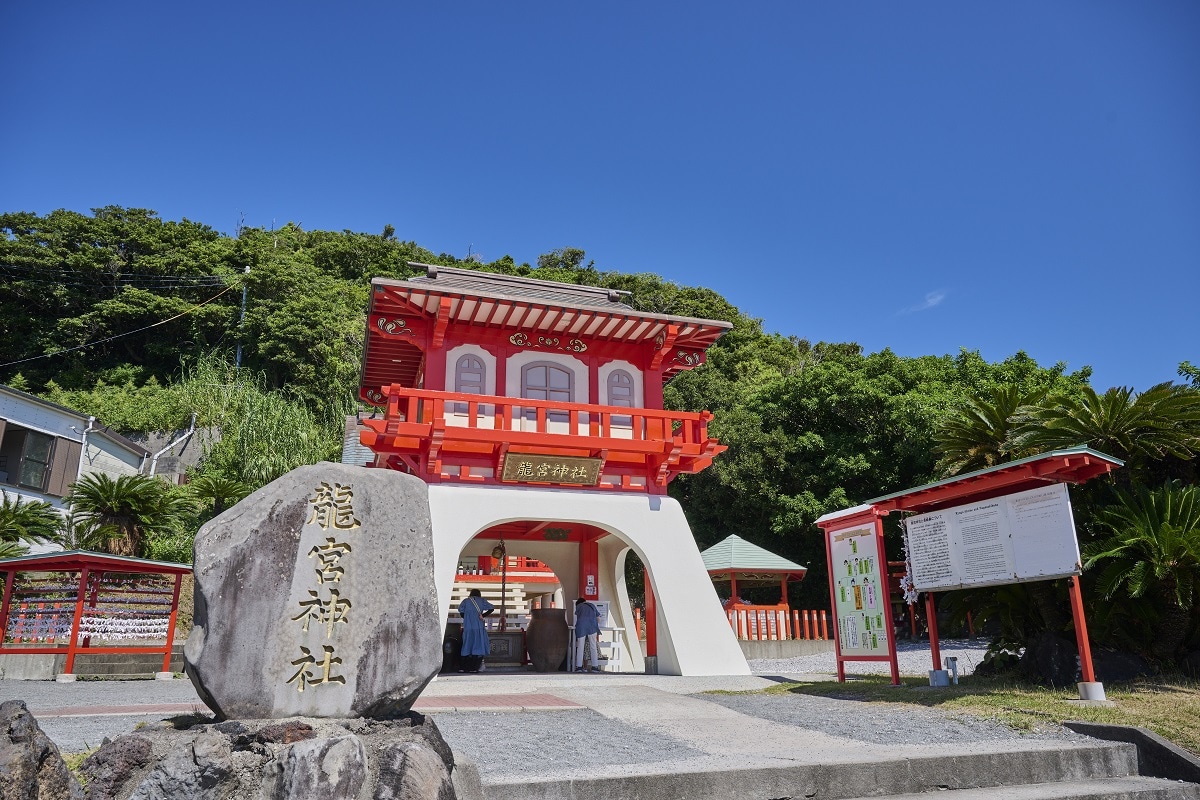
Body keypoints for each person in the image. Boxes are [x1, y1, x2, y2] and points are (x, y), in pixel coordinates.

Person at [458, 589, 494, 672]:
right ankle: (474, 668)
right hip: (478, 627)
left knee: (466, 645)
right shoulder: (482, 601)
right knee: (477, 646)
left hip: (468, 627)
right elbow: (492, 608)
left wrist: (467, 618)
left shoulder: (466, 601)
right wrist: (483, 615)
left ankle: (463, 667)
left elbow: (461, 611)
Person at [574, 597, 602, 672]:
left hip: (581, 627)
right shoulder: (592, 605)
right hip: (592, 627)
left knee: (580, 647)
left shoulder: (579, 606)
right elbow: (598, 618)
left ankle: (579, 667)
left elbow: (578, 617)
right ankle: (595, 667)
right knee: (593, 646)